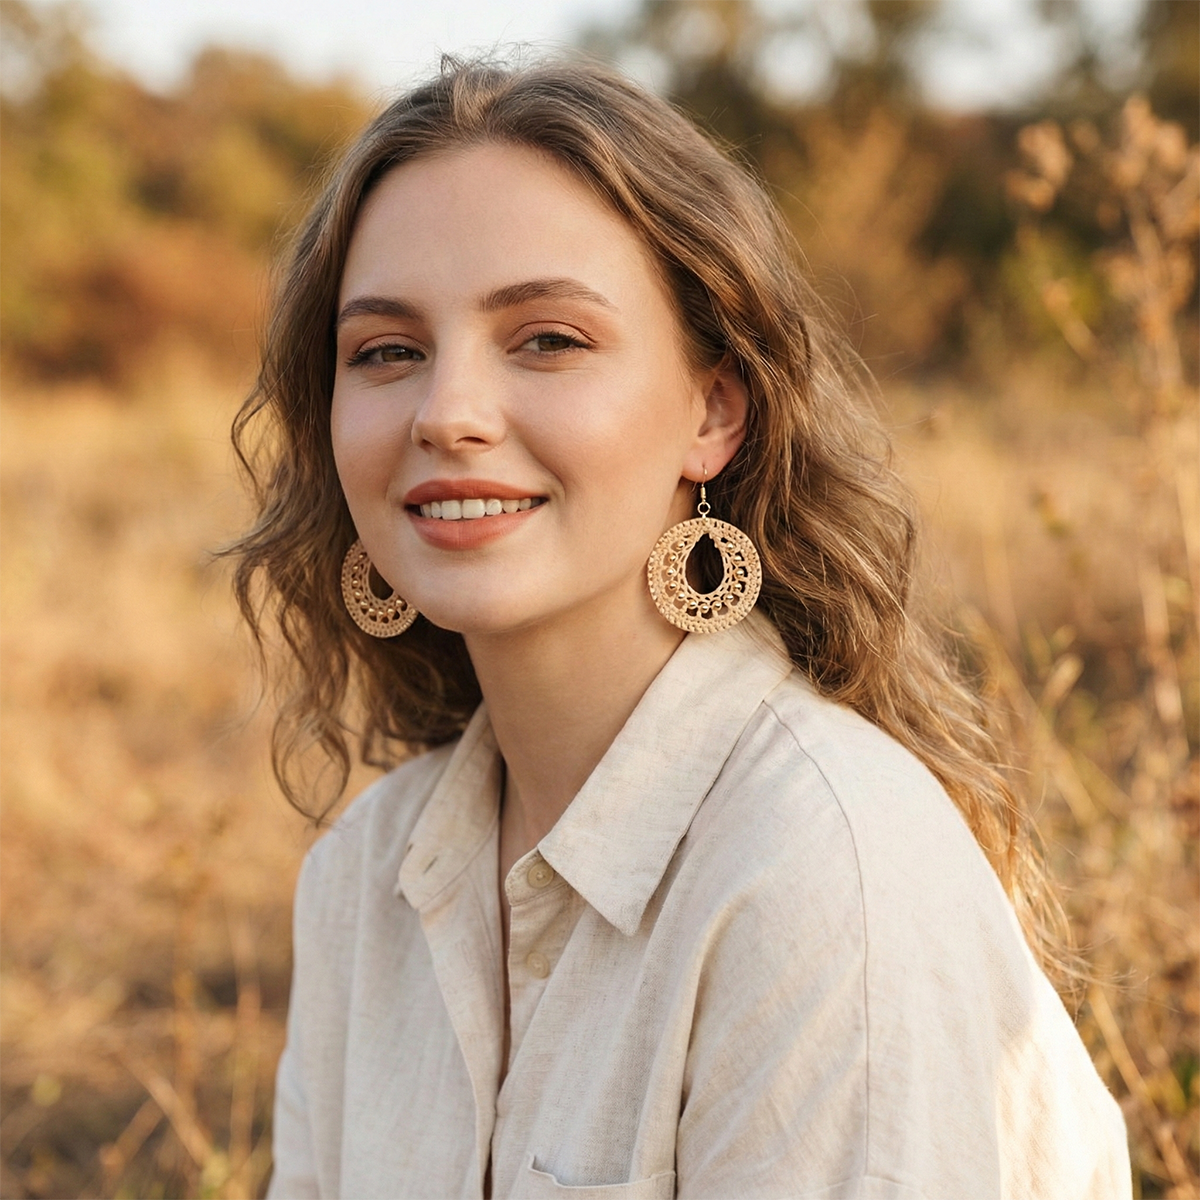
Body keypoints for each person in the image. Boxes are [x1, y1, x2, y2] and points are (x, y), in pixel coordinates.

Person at [230, 57, 1132, 1199]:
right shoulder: (365, 880)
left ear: (714, 411)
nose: (446, 411)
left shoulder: (821, 872)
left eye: (547, 338)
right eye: (386, 351)